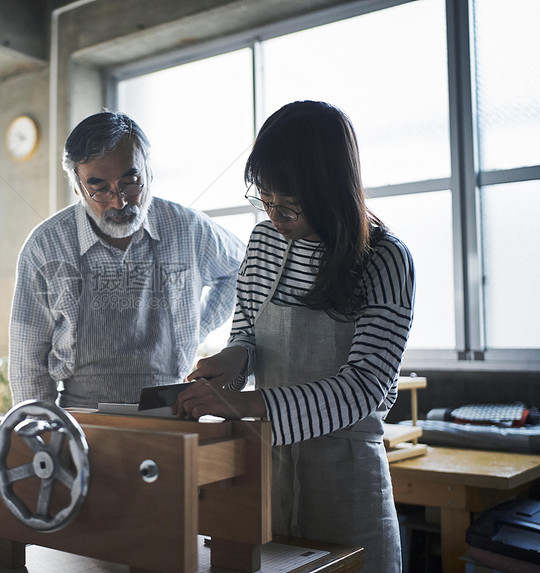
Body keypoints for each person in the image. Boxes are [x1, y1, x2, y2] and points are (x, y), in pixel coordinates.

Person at [173, 100, 414, 573]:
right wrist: (235, 361)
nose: (274, 215)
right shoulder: (263, 243)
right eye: (265, 200)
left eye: (288, 205)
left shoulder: (384, 259)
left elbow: (363, 386)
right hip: (269, 468)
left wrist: (244, 407)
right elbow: (247, 330)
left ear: (330, 191)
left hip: (347, 477)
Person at [10, 111, 245, 409]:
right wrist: (46, 433)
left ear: (148, 171)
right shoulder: (46, 246)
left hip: (171, 410)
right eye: (99, 189)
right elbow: (27, 362)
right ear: (77, 187)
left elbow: (242, 269)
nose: (118, 201)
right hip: (80, 417)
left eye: (130, 183)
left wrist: (199, 325)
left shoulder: (188, 228)